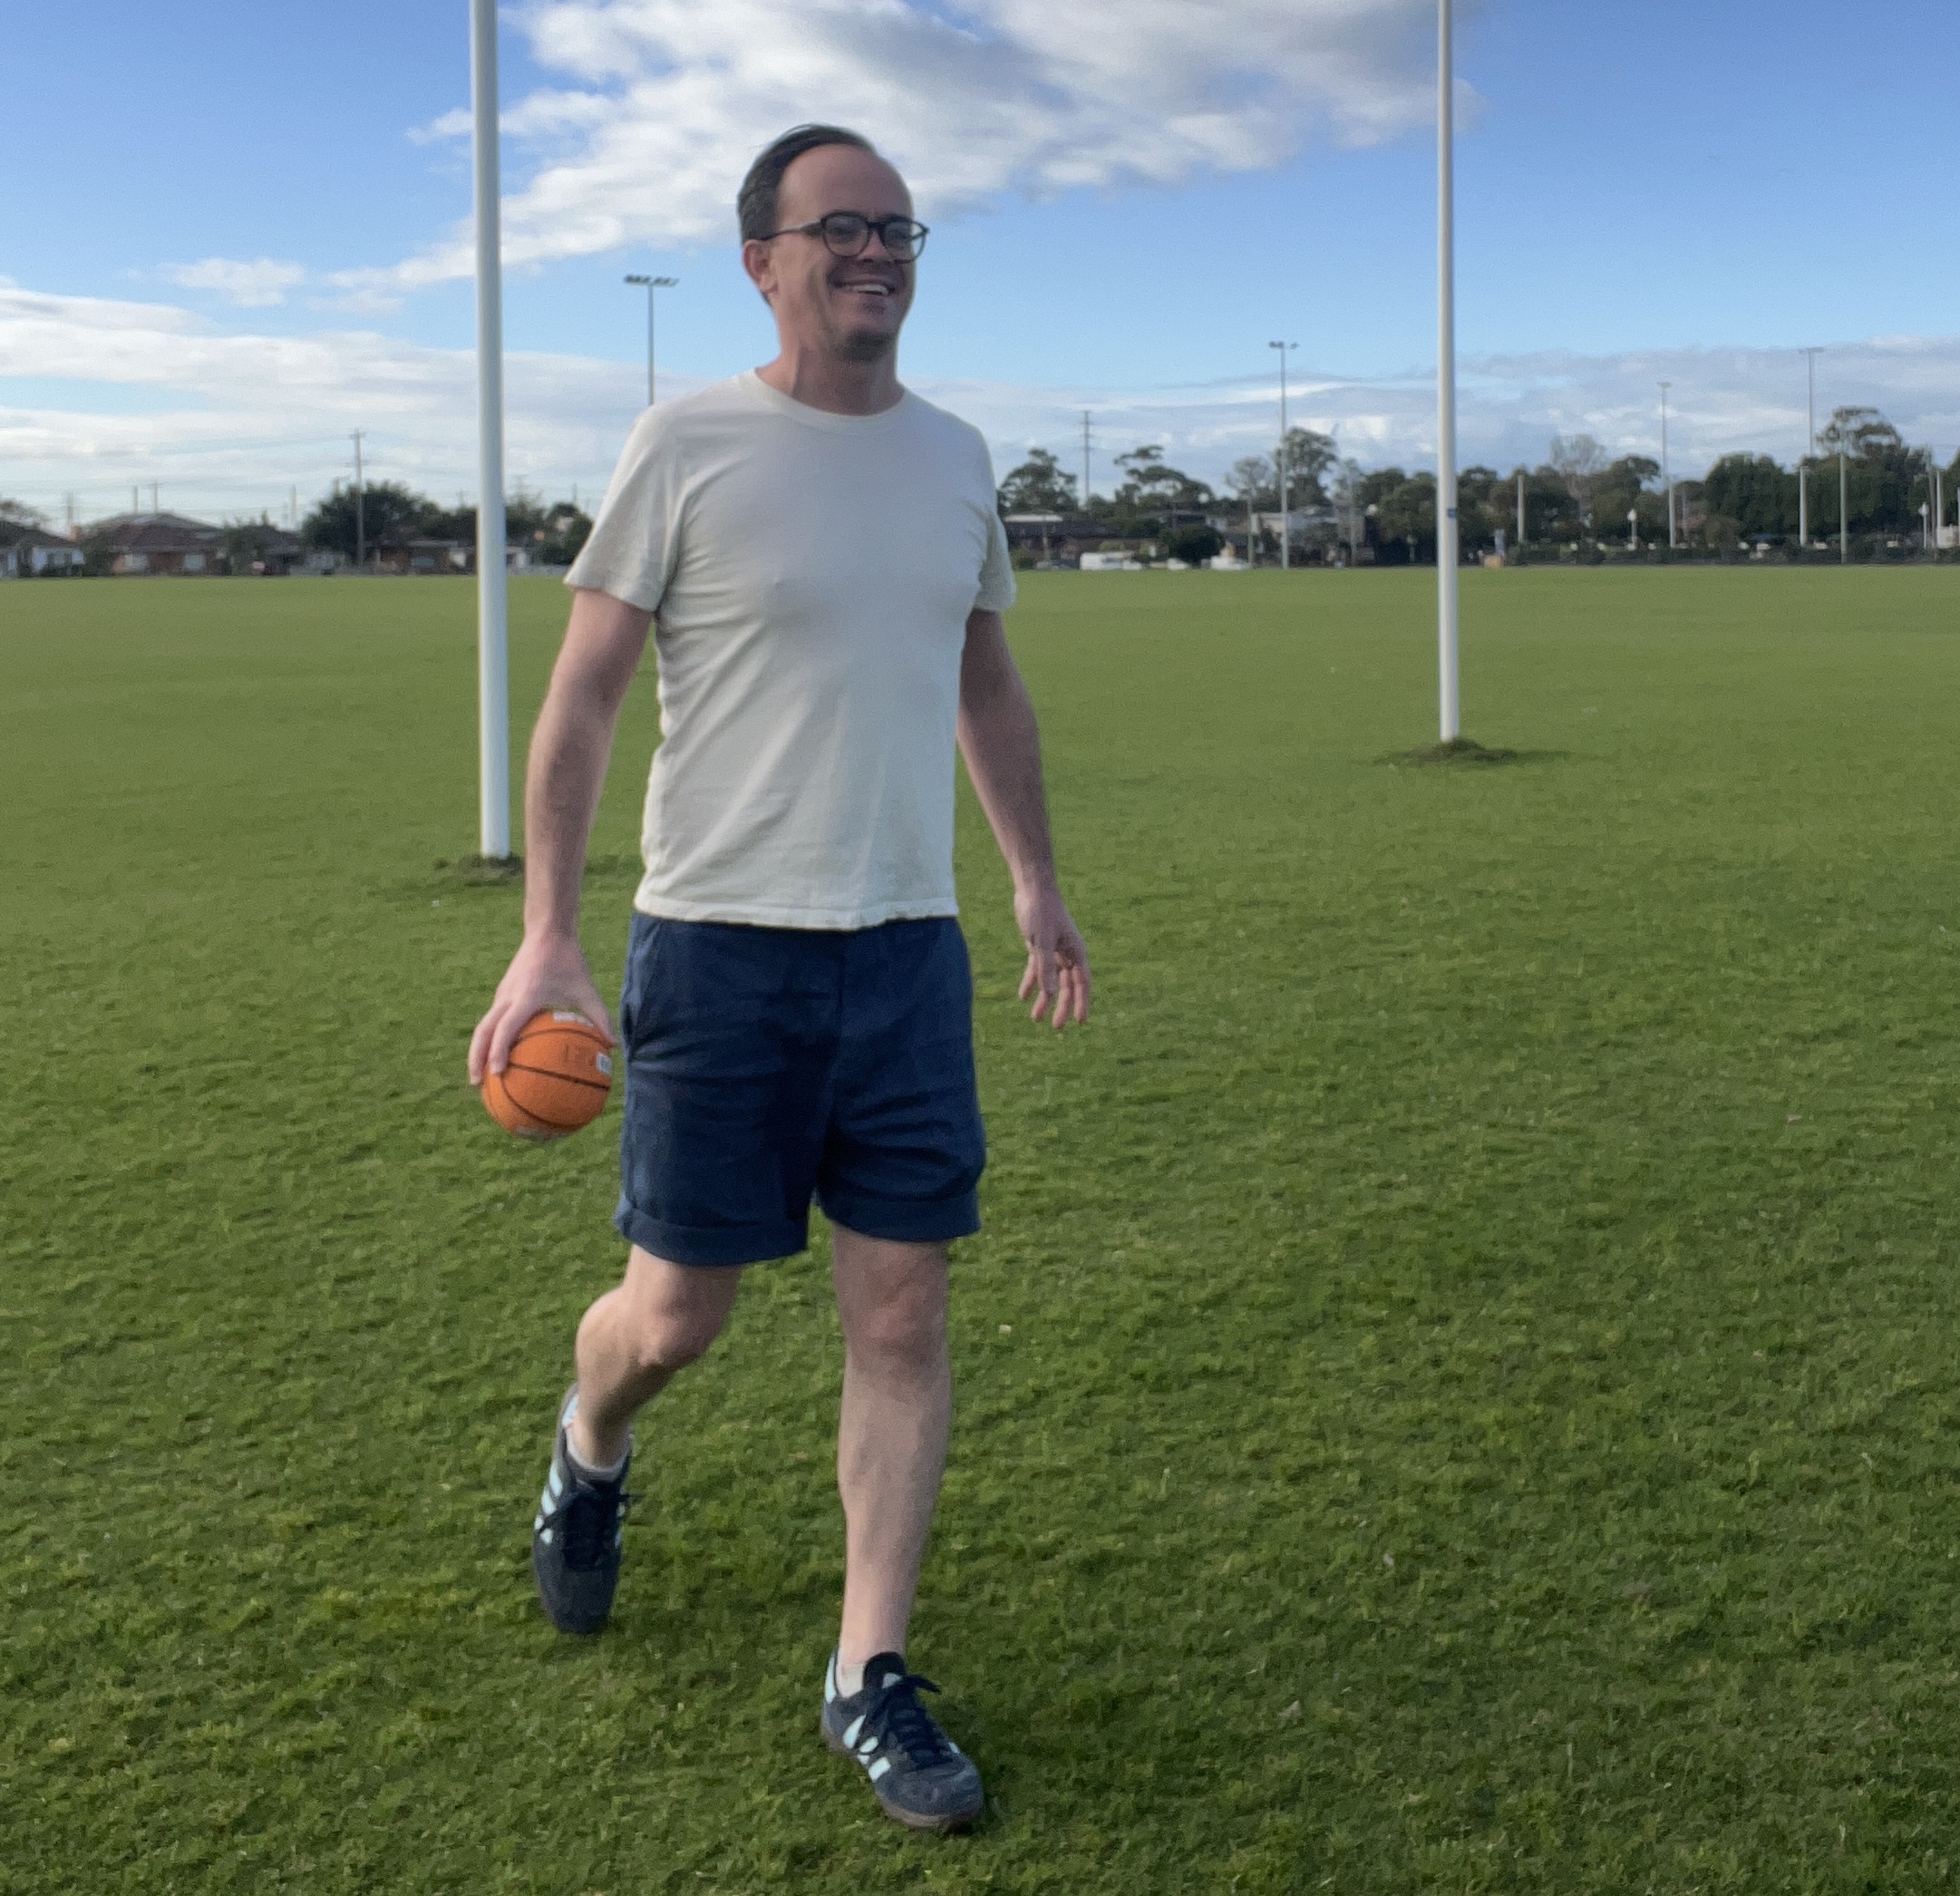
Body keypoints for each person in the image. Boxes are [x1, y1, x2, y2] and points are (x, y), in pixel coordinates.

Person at [467, 122, 1090, 1834]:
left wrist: (1032, 883)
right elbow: (582, 700)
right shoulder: (685, 444)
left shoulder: (956, 458)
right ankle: (588, 1451)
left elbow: (986, 686)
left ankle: (864, 1669)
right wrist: (547, 935)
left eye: (899, 228)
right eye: (840, 227)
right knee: (678, 1316)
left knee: (901, 1313)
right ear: (763, 258)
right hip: (716, 949)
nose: (875, 251)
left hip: (903, 953)